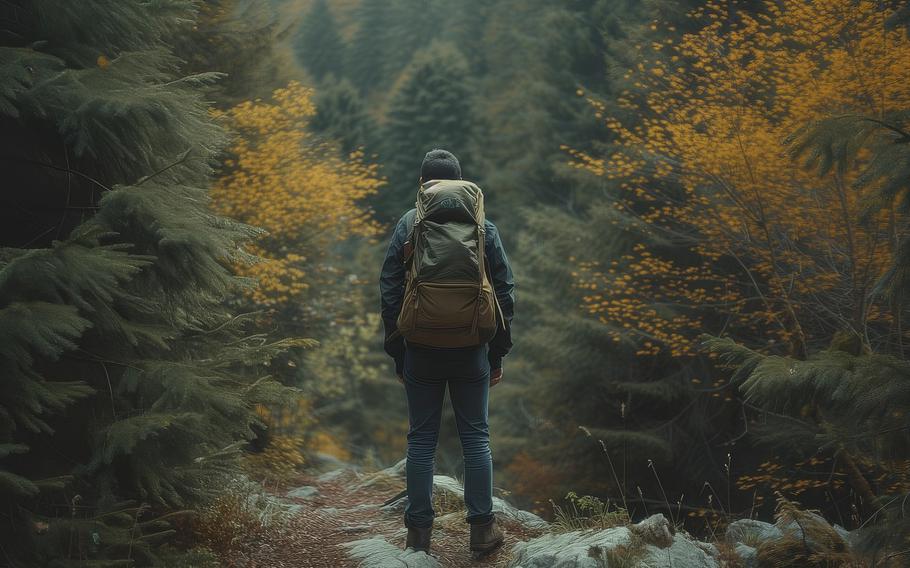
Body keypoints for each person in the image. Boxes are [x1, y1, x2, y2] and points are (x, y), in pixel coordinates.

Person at [379, 149, 515, 557]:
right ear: (459, 182)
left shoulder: (409, 225)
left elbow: (389, 290)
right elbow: (505, 292)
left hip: (420, 348)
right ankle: (482, 532)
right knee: (476, 437)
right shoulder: (482, 226)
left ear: (423, 185)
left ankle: (418, 536)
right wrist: (497, 355)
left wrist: (399, 353)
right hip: (472, 347)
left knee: (421, 440)